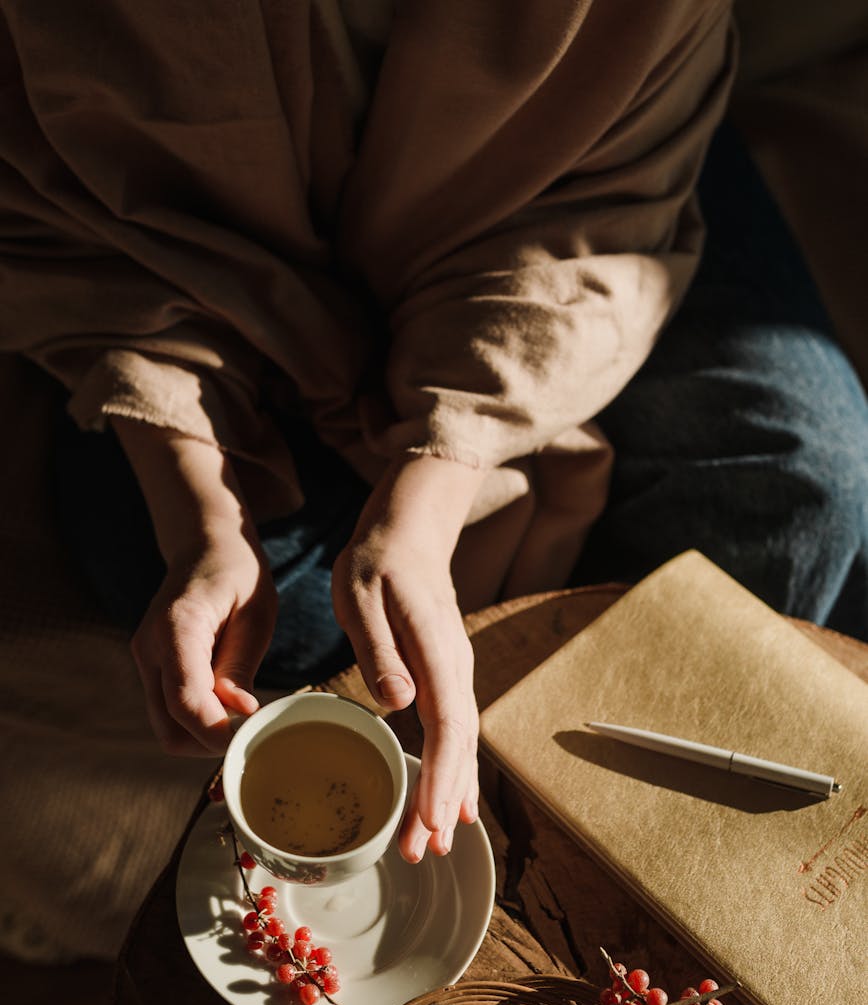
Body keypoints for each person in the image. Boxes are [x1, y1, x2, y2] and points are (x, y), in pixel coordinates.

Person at [2, 1, 866, 865]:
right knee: (254, 604)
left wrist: (430, 494)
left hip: (586, 162)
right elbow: (75, 219)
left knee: (805, 481)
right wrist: (205, 526)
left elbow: (599, 214)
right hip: (191, 241)